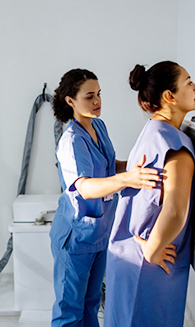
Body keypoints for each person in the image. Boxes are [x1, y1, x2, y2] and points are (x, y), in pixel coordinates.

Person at [49, 68, 160, 327]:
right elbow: (84, 187)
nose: (97, 101)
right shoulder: (71, 140)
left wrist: (136, 168)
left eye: (99, 94)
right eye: (89, 96)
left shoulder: (99, 126)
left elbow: (109, 165)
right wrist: (127, 180)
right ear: (70, 101)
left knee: (91, 305)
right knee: (70, 312)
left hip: (99, 234)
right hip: (75, 238)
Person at [103, 61, 195, 327]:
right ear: (170, 96)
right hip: (148, 263)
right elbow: (175, 210)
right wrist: (154, 251)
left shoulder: (152, 132)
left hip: (126, 254)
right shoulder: (176, 145)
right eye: (189, 82)